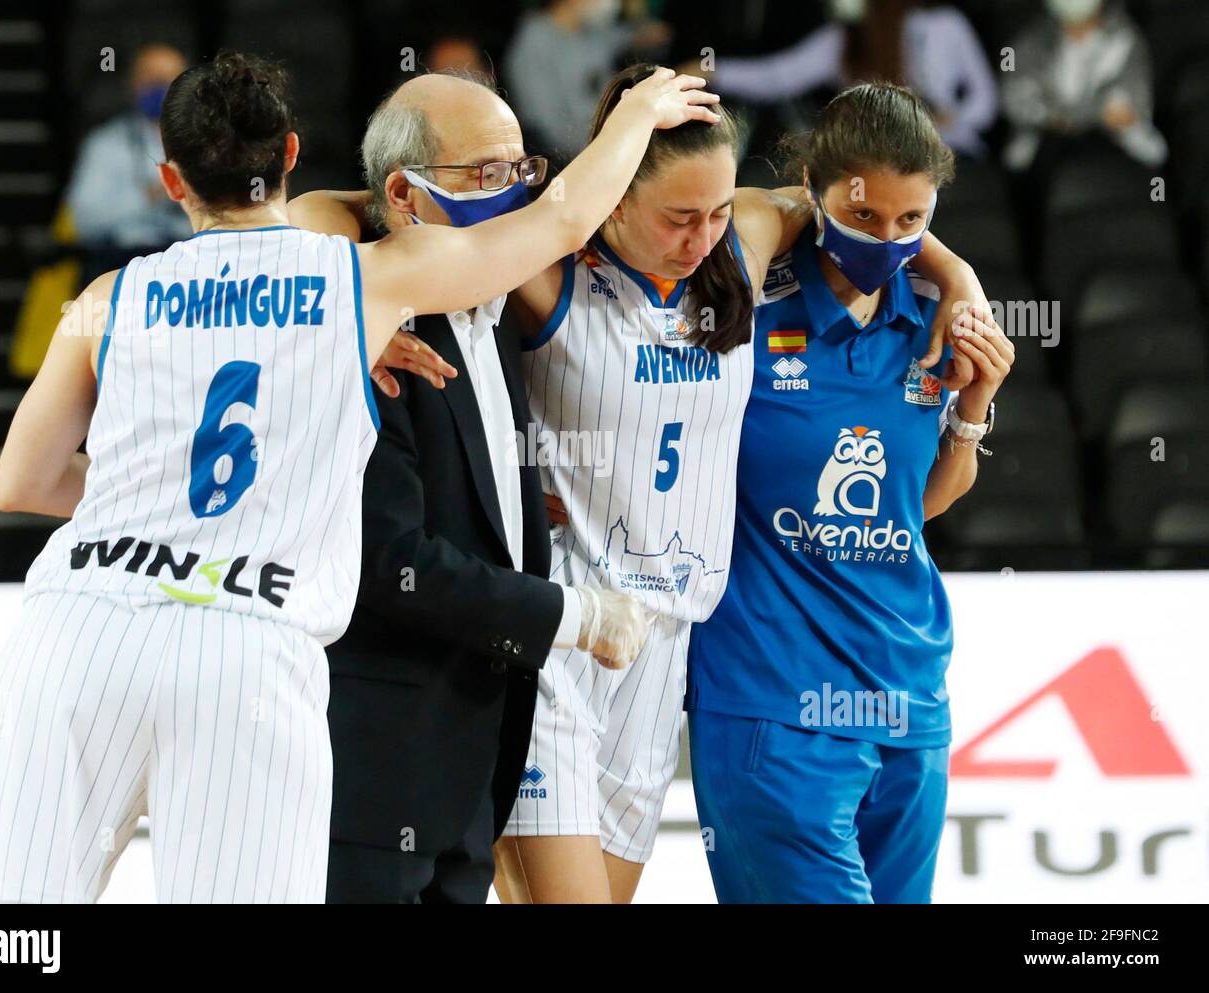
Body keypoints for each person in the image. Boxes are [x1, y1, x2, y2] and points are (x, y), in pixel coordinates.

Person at [0, 53, 720, 904]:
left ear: (170, 177)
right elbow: (566, 217)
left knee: (11, 931)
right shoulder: (366, 283)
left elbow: (21, 481)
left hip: (78, 628)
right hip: (245, 642)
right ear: (290, 155)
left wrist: (157, 510)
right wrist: (640, 111)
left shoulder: (109, 293)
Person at [291, 63, 990, 904]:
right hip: (560, 633)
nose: (701, 238)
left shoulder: (741, 249)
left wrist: (960, 278)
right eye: (679, 218)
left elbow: (859, 209)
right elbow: (340, 208)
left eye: (720, 212)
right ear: (613, 198)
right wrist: (337, 296)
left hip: (664, 647)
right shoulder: (545, 267)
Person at [289, 70, 649, 904]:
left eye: (520, 170)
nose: (514, 195)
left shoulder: (492, 311)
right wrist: (572, 614)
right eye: (483, 175)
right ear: (404, 195)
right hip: (375, 766)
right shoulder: (365, 333)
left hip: (472, 763)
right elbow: (390, 561)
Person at [686, 82, 1014, 903]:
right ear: (815, 193)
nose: (890, 238)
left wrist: (972, 406)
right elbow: (750, 206)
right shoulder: (745, 299)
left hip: (909, 705)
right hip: (774, 704)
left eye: (913, 222)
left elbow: (923, 505)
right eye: (864, 217)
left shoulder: (932, 314)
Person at [686, 0, 998, 158]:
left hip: (950, 153)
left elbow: (985, 100)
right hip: (876, 156)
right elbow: (778, 75)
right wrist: (712, 70)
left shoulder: (946, 25)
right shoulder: (847, 40)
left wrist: (950, 121)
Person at [65, 43, 193, 276]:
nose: (159, 86)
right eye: (150, 77)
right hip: (122, 264)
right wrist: (152, 195)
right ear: (132, 83)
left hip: (191, 265)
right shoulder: (104, 144)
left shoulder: (209, 142)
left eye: (167, 78)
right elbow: (85, 220)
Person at [1002, 0, 1167, 172]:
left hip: (1110, 137)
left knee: (1153, 152)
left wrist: (1123, 114)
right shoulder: (1031, 41)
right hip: (1047, 137)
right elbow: (1013, 97)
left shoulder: (1124, 39)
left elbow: (1136, 100)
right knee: (1018, 160)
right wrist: (1052, 116)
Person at [504, 0, 673, 163]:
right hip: (576, 160)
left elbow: (632, 36)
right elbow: (548, 128)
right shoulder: (534, 44)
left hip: (610, 141)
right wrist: (611, 144)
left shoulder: (590, 34)